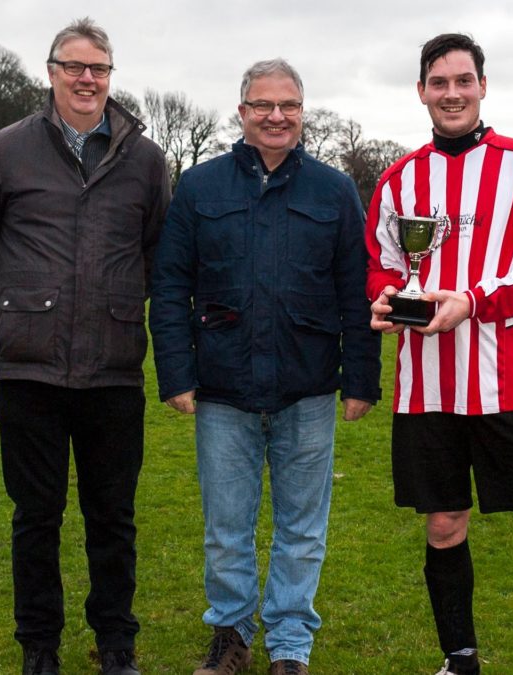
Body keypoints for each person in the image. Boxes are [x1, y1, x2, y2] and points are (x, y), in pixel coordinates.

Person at [365, 34, 513, 675]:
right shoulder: (398, 179)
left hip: (511, 384)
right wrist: (387, 300)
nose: (451, 93)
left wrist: (471, 302)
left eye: (463, 80)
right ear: (421, 91)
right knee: (443, 524)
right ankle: (460, 659)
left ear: (482, 87)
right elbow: (382, 267)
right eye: (438, 82)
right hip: (427, 388)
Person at [148, 58, 381, 675]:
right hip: (223, 390)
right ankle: (230, 637)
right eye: (263, 105)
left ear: (303, 112)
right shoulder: (200, 188)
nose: (276, 116)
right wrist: (176, 373)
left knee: (302, 530)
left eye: (289, 105)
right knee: (227, 529)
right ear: (242, 111)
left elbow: (356, 289)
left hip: (307, 388)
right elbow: (170, 285)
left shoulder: (333, 190)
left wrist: (360, 379)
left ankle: (289, 647)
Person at [0, 17, 169, 675]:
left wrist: (119, 309)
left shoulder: (146, 160)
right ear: (50, 72)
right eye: (73, 66)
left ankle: (116, 644)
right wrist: (18, 308)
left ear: (110, 77)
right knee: (35, 519)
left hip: (112, 371)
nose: (86, 79)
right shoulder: (5, 150)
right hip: (30, 373)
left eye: (98, 68)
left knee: (113, 520)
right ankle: (39, 646)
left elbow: (158, 252)